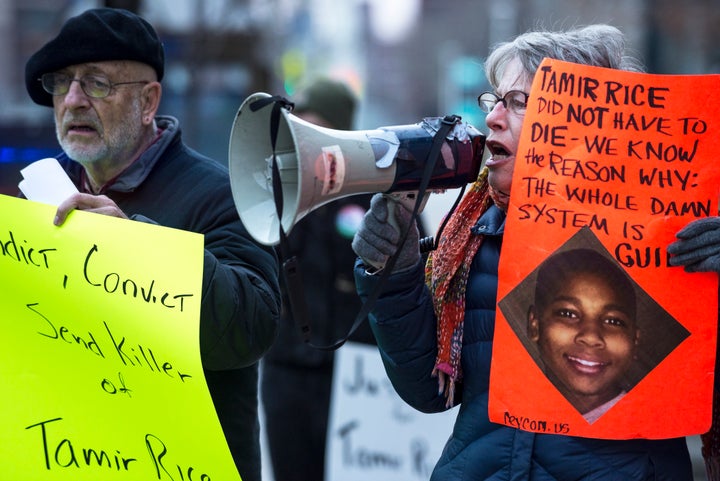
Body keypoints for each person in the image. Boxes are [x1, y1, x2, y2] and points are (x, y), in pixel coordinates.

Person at [352, 24, 699, 479]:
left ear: (583, 120)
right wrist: (395, 271)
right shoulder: (476, 233)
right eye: (494, 100)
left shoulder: (665, 240)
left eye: (518, 103)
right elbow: (428, 391)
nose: (493, 118)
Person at [23, 8, 279, 481]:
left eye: (97, 83)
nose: (74, 99)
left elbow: (254, 324)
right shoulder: (35, 196)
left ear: (148, 102)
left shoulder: (223, 195)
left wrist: (138, 249)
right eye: (62, 82)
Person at [260, 77, 376, 481]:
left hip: (352, 374)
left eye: (317, 127)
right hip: (285, 368)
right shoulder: (273, 187)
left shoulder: (370, 190)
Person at [527, 248, 639, 424]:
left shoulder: (654, 419)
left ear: (635, 339)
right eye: (568, 314)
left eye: (614, 321)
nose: (591, 337)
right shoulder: (509, 403)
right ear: (534, 324)